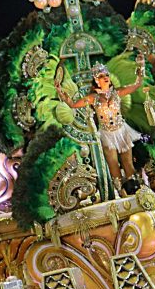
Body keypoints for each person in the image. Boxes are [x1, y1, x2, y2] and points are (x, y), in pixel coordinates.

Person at [55, 58, 145, 193]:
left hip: (122, 131)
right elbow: (73, 104)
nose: (106, 78)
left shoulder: (117, 93)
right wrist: (60, 91)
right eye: (102, 76)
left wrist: (141, 67)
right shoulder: (93, 98)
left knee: (128, 164)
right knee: (114, 166)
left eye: (106, 75)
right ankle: (122, 194)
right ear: (96, 80)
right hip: (107, 135)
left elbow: (137, 85)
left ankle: (137, 190)